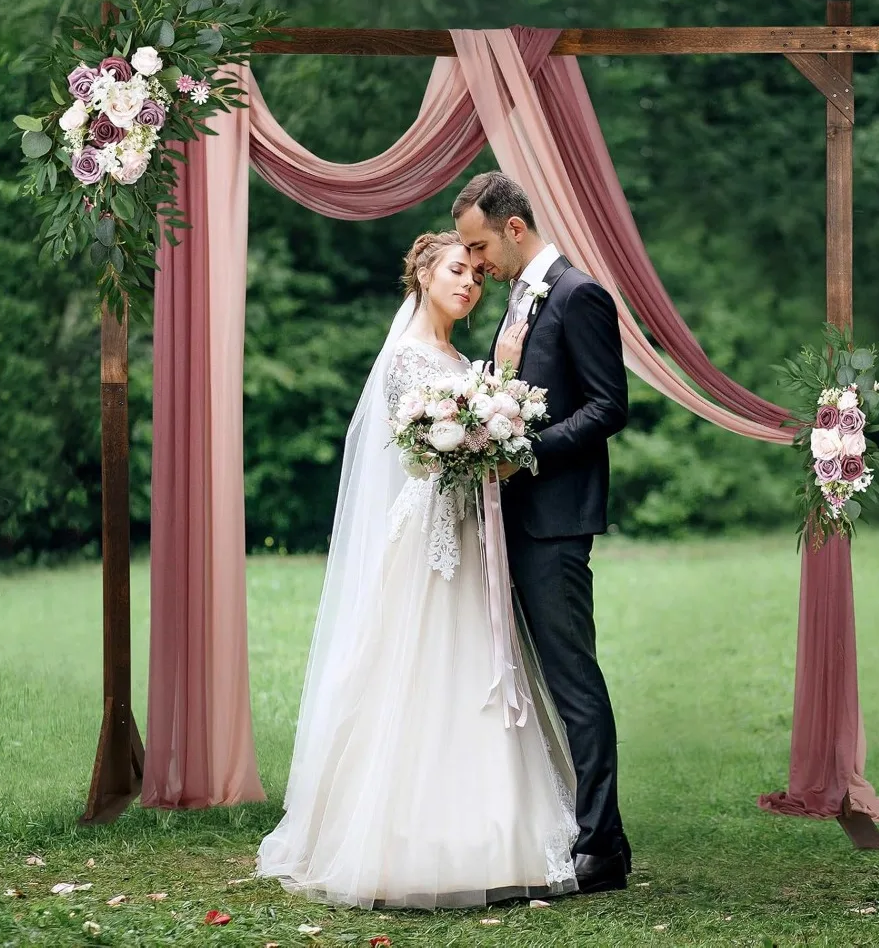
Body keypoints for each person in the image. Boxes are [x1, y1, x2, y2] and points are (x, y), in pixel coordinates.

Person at [256, 230, 579, 909]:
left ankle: (497, 833)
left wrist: (498, 406)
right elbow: (415, 456)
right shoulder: (406, 358)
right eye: (456, 271)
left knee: (479, 667)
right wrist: (470, 441)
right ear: (424, 276)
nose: (469, 283)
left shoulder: (466, 357)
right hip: (430, 531)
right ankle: (396, 838)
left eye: (477, 276)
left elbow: (483, 434)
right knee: (415, 668)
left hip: (472, 528)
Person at [453, 172, 632, 894]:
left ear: (515, 228)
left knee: (572, 680)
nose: (476, 261)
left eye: (479, 244)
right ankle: (563, 828)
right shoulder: (519, 302)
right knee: (537, 679)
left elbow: (607, 406)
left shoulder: (577, 295)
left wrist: (522, 452)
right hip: (514, 520)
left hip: (555, 522)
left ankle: (602, 849)